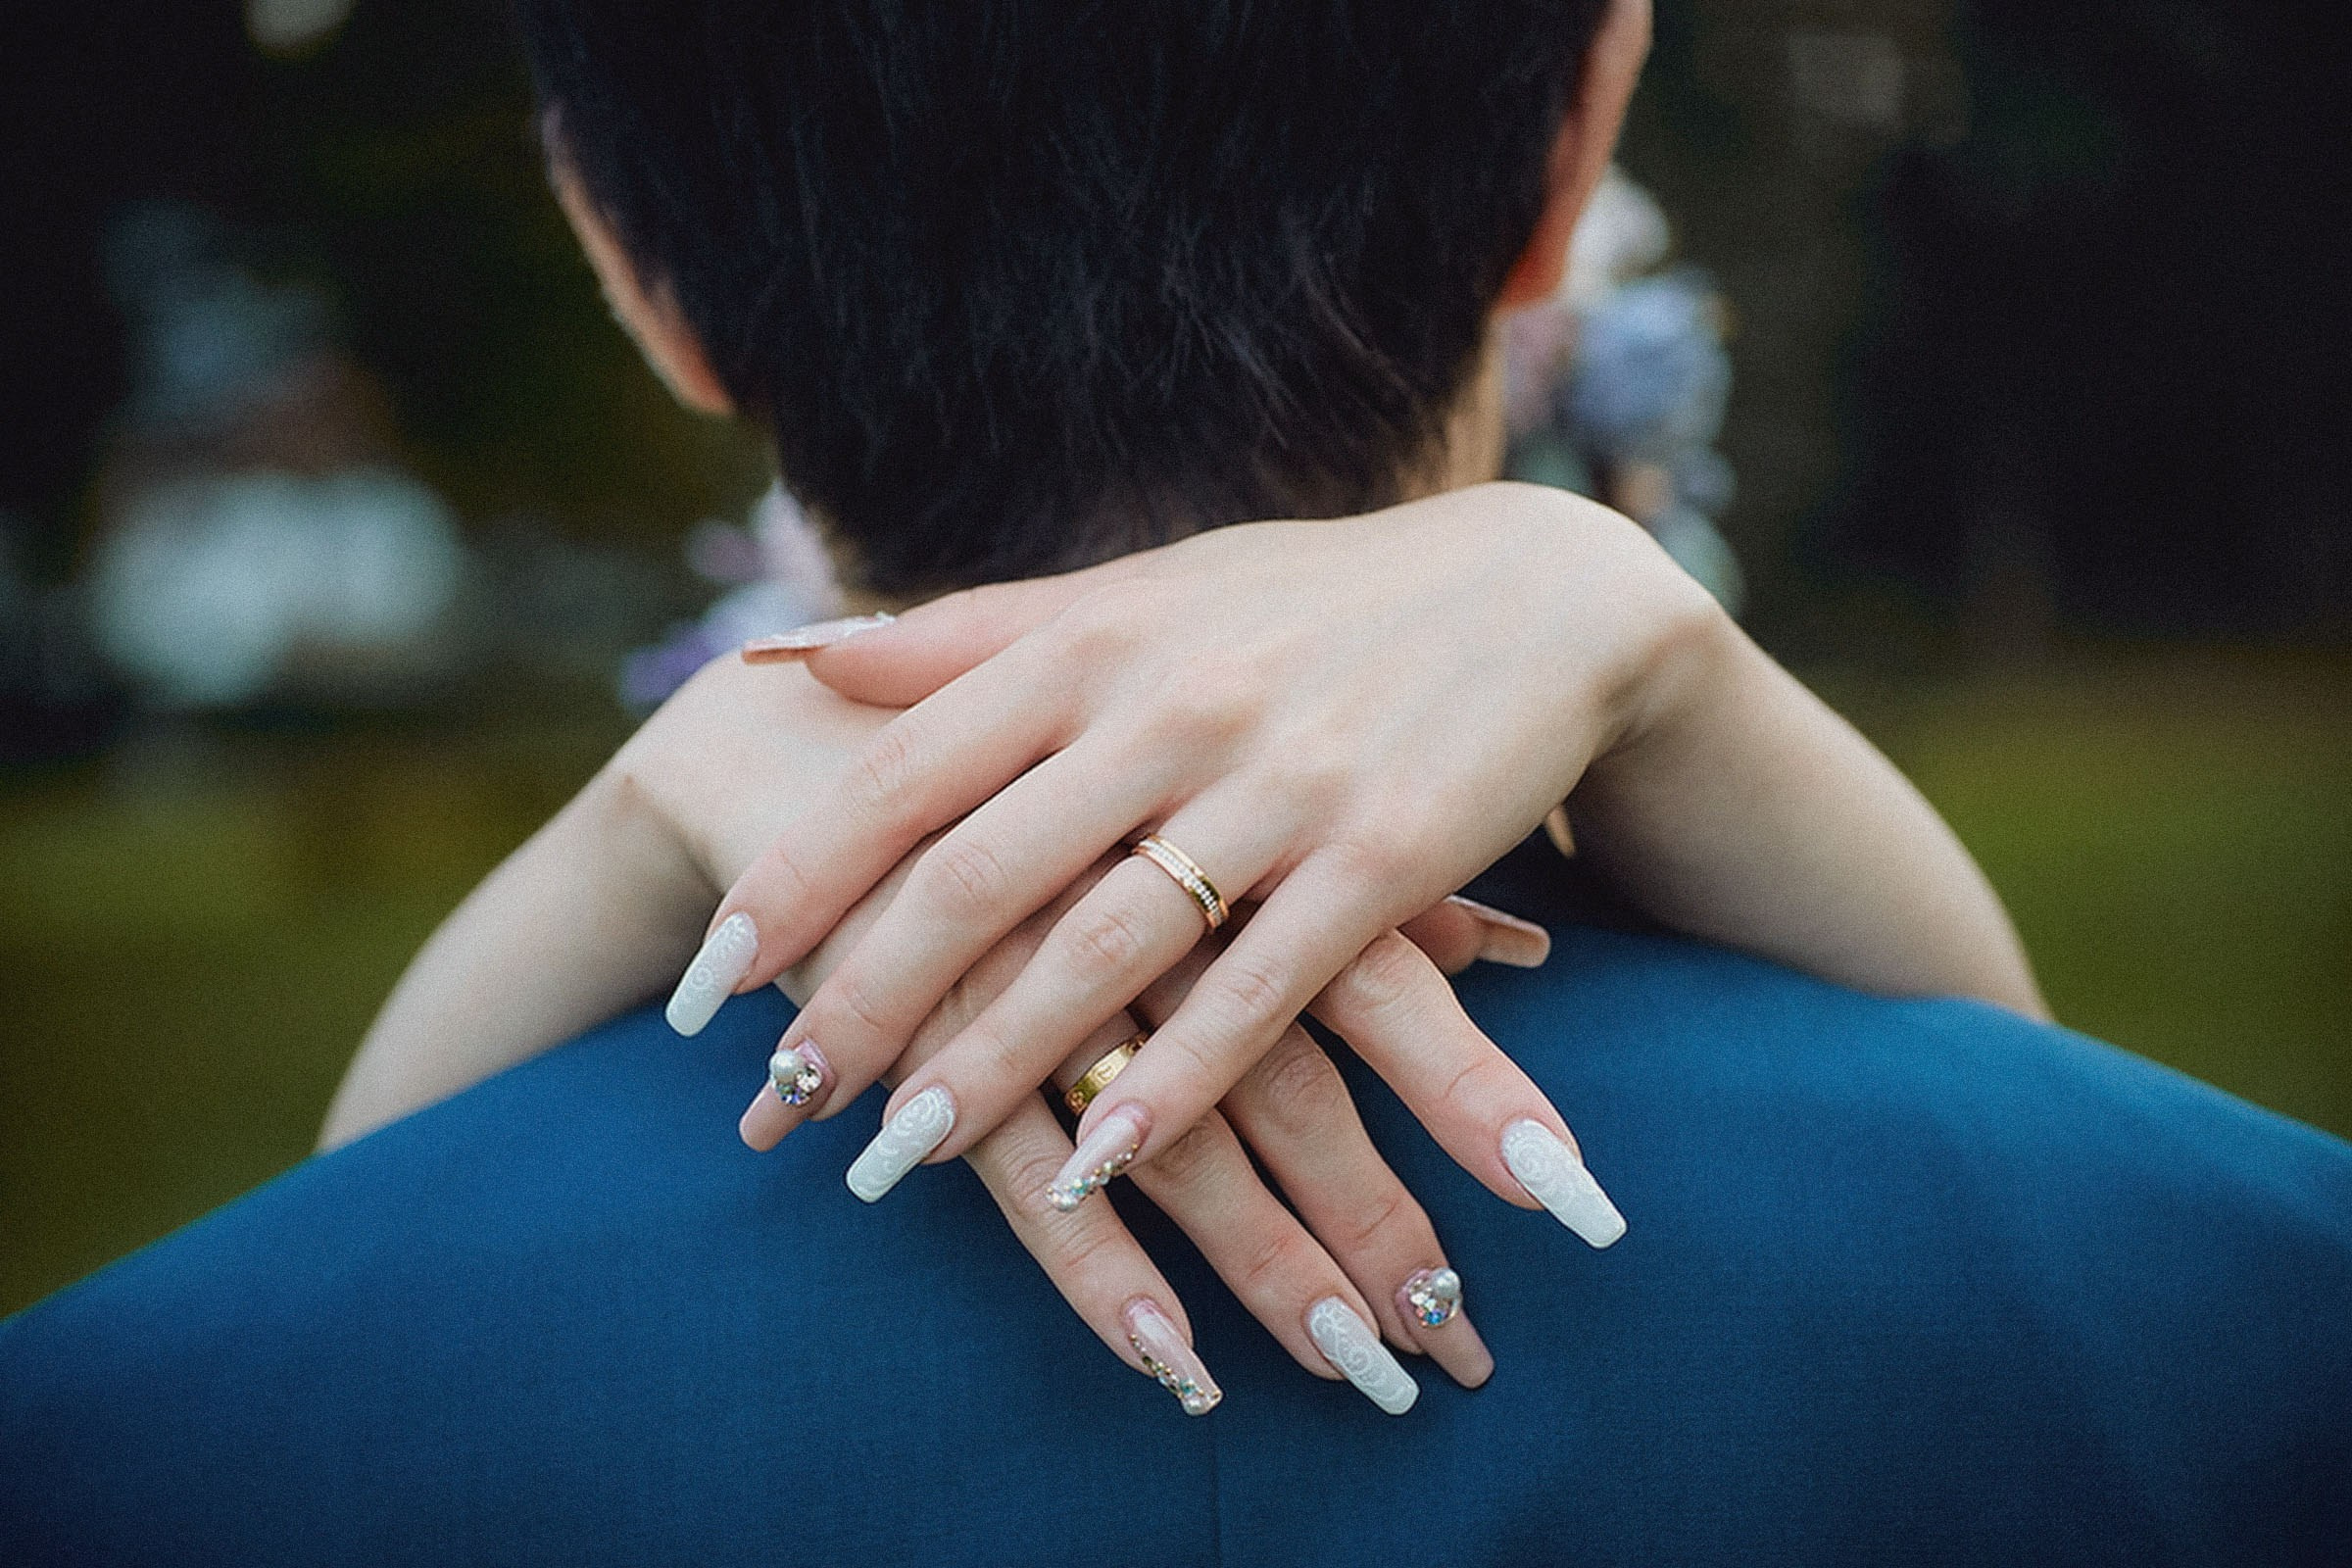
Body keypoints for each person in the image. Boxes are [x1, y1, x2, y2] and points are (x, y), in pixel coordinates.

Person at [4, 0, 2347, 1560]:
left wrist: (638, 823)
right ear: (1584, 134)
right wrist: (1655, 640)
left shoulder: (113, 1446)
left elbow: (304, 1316)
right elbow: (2098, 1252)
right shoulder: (2258, 1309)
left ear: (637, 262)